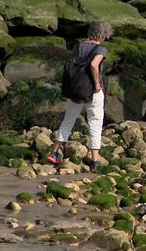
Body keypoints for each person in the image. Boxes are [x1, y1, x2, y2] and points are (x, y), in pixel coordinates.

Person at [47, 21, 113, 172]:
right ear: (104, 35)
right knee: (95, 123)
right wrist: (97, 84)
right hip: (93, 92)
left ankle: (55, 152)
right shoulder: (101, 49)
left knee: (68, 120)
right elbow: (94, 65)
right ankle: (94, 161)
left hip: (76, 90)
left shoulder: (78, 46)